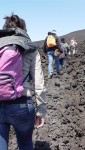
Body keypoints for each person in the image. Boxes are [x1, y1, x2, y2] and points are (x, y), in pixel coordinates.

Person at [0, 14, 47, 150]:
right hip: (22, 105)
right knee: (26, 144)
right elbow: (39, 83)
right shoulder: (30, 48)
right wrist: (41, 111)